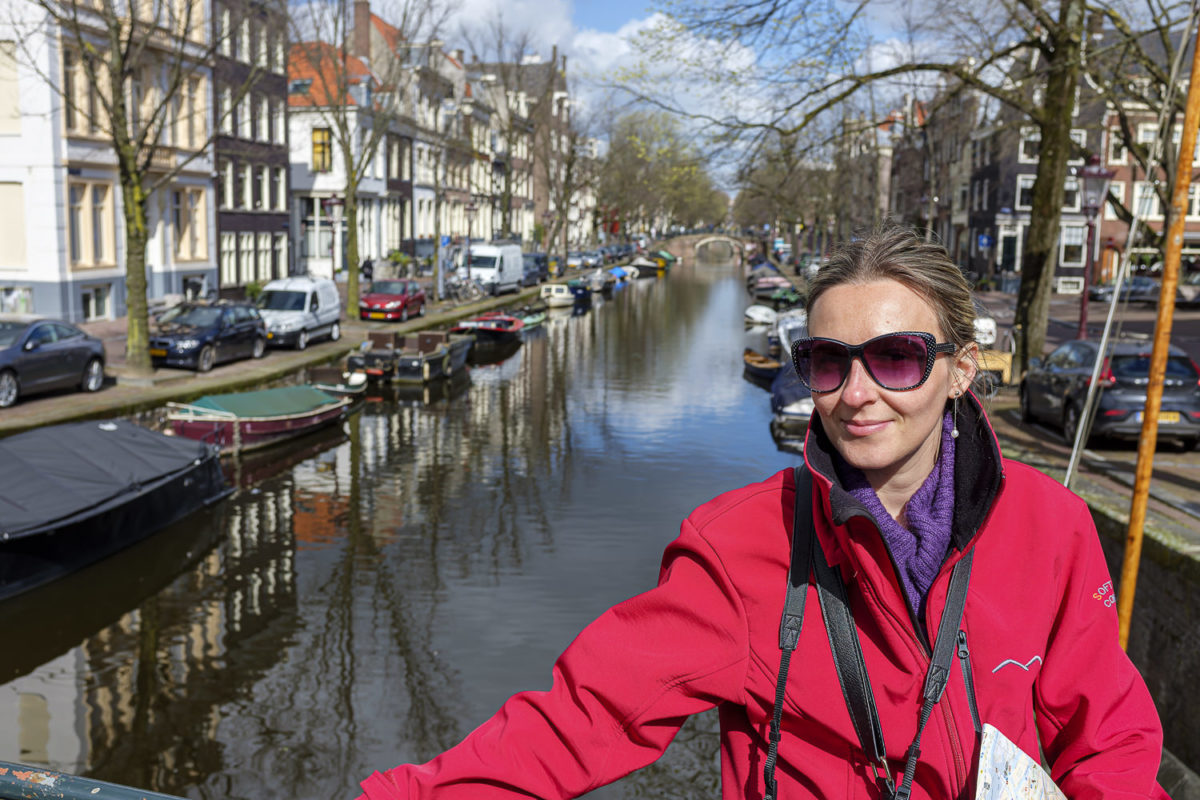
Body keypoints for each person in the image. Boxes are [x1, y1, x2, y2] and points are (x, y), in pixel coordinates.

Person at [357, 225, 1168, 800]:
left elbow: (1107, 740)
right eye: (825, 361)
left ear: (959, 370)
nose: (857, 394)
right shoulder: (740, 548)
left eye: (895, 357)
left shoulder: (1051, 528)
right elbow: (583, 718)